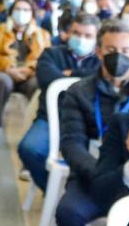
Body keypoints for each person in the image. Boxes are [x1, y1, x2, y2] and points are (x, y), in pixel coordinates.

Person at [56, 21, 129, 226]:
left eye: (126, 50)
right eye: (112, 49)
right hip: (94, 174)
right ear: (100, 52)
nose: (119, 56)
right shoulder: (79, 93)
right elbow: (72, 145)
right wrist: (103, 173)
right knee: (68, 212)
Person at [17, 13, 100, 190]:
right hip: (50, 118)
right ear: (68, 33)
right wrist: (83, 81)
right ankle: (51, 189)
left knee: (91, 163)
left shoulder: (100, 62)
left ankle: (74, 195)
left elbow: (99, 81)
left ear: (96, 39)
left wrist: (69, 75)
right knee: (29, 148)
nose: (81, 39)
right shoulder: (51, 54)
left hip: (87, 123)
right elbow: (48, 79)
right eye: (77, 33)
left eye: (88, 36)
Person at [0, 0, 50, 147]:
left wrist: (28, 70)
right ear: (11, 12)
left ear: (32, 14)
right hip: (4, 72)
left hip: (29, 75)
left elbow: (45, 58)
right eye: (18, 9)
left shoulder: (41, 35)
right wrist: (8, 68)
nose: (21, 13)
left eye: (26, 10)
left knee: (38, 86)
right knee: (1, 82)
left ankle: (35, 130)